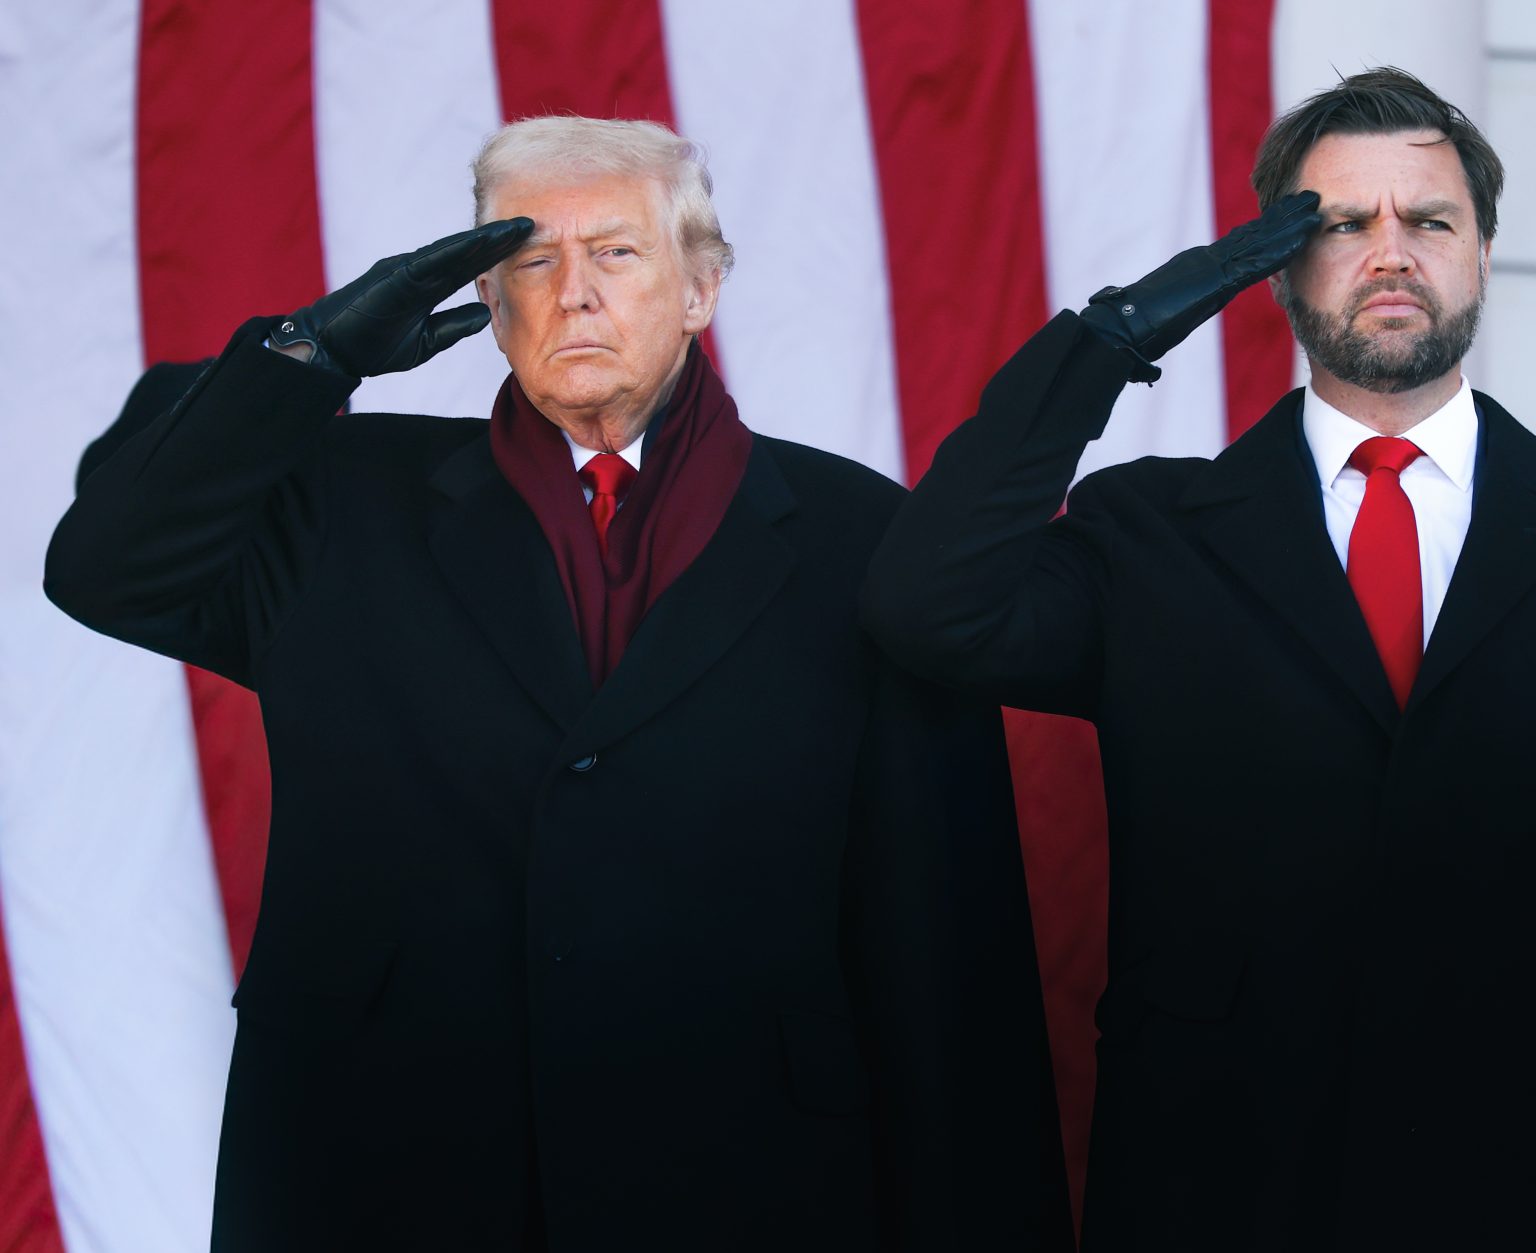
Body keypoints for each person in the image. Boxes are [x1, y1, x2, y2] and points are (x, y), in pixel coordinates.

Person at [45, 117, 1070, 1251]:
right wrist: (308, 360)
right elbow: (107, 568)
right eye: (531, 257)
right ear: (488, 300)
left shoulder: (865, 535)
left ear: (701, 289)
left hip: (747, 1178)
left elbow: (942, 945)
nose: (573, 292)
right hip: (386, 1172)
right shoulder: (335, 499)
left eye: (617, 253)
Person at [862, 68, 1531, 1251]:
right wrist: (1109, 342)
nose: (1390, 251)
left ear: (1483, 249)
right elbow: (929, 604)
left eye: (1429, 220)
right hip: (1218, 1180)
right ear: (1273, 266)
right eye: (1337, 224)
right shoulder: (1149, 534)